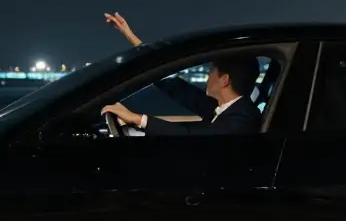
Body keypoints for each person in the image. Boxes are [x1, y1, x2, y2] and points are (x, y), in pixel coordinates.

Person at [99, 13, 262, 136]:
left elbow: (190, 137)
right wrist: (133, 40)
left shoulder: (241, 119)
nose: (208, 76)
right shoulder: (223, 106)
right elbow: (175, 87)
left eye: (212, 71)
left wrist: (137, 119)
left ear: (224, 80)